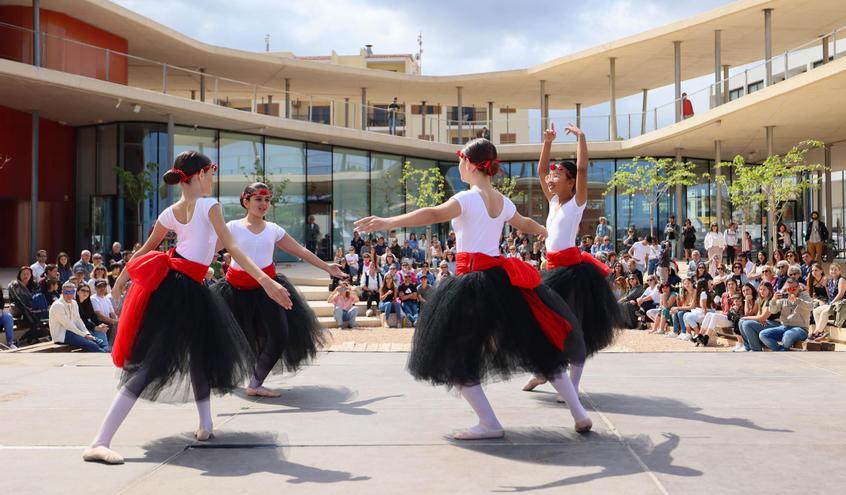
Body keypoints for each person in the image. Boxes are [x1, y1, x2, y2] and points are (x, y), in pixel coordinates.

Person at [355, 137, 591, 439]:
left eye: (460, 162)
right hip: (501, 282)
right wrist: (543, 230)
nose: (459, 168)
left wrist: (387, 222)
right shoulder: (502, 200)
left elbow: (431, 213)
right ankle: (579, 412)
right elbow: (523, 222)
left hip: (472, 283)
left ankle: (489, 423)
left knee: (454, 354)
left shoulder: (467, 198)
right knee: (538, 346)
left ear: (469, 163)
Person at [82, 151, 292, 465]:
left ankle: (206, 424)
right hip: (182, 289)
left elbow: (145, 249)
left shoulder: (172, 211)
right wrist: (266, 281)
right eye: (210, 173)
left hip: (183, 286)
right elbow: (232, 247)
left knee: (199, 356)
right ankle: (99, 441)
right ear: (198, 175)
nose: (212, 179)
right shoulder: (211, 206)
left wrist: (121, 281)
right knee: (154, 365)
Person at [212, 182, 341, 397]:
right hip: (235, 290)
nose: (263, 204)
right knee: (224, 336)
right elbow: (207, 251)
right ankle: (217, 375)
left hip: (268, 290)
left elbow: (300, 250)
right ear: (246, 201)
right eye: (258, 199)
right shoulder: (232, 227)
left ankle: (255, 383)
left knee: (280, 334)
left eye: (267, 200)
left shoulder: (273, 230)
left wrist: (327, 266)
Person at [522, 123, 620, 397]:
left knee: (576, 330)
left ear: (571, 180)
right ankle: (543, 371)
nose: (551, 178)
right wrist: (547, 142)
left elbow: (584, 169)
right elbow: (540, 171)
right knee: (543, 323)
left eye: (559, 174)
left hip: (573, 275)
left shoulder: (577, 202)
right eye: (552, 175)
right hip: (552, 271)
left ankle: (572, 386)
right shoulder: (553, 202)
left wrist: (582, 137)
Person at [49, 282, 109, 353]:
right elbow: (68, 325)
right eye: (66, 292)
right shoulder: (57, 305)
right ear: (62, 292)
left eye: (71, 292)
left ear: (74, 292)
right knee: (93, 345)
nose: (69, 294)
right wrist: (84, 335)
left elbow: (78, 320)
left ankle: (106, 355)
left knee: (101, 343)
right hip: (63, 335)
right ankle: (105, 357)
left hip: (74, 332)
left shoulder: (74, 303)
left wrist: (87, 333)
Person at [759, 278, 811, 351]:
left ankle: (784, 351)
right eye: (788, 289)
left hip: (801, 329)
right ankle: (781, 350)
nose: (791, 291)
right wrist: (773, 300)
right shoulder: (784, 298)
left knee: (788, 335)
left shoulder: (805, 296)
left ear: (798, 287)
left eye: (793, 288)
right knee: (763, 334)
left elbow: (810, 307)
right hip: (785, 327)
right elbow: (773, 311)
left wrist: (798, 301)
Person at [811, 263, 846, 339]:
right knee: (816, 311)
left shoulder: (842, 279)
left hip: (842, 302)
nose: (833, 271)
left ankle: (817, 332)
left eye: (835, 269)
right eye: (831, 269)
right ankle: (821, 331)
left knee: (824, 312)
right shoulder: (830, 281)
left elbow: (840, 294)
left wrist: (831, 303)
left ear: (839, 271)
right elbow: (829, 295)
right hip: (833, 303)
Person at [738, 282, 779, 352]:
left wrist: (747, 318)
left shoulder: (771, 300)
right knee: (741, 321)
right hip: (766, 322)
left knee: (746, 323)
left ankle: (756, 349)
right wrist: (759, 319)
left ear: (769, 290)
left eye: (764, 289)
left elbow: (762, 317)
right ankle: (747, 347)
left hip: (775, 324)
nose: (762, 291)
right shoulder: (762, 300)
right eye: (760, 289)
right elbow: (758, 316)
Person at [76, 283, 110, 348]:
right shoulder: (75, 304)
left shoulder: (88, 303)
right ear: (77, 292)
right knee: (99, 331)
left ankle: (105, 349)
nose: (85, 292)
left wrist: (101, 325)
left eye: (87, 291)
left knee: (102, 329)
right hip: (80, 329)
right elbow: (80, 321)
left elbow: (94, 318)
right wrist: (95, 327)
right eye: (83, 290)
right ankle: (105, 349)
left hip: (88, 328)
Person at [90, 279, 118, 346]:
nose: (102, 288)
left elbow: (112, 313)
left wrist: (116, 321)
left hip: (108, 322)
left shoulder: (107, 299)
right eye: (99, 286)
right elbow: (99, 315)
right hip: (100, 323)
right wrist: (114, 322)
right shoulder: (93, 298)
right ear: (95, 288)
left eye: (104, 286)